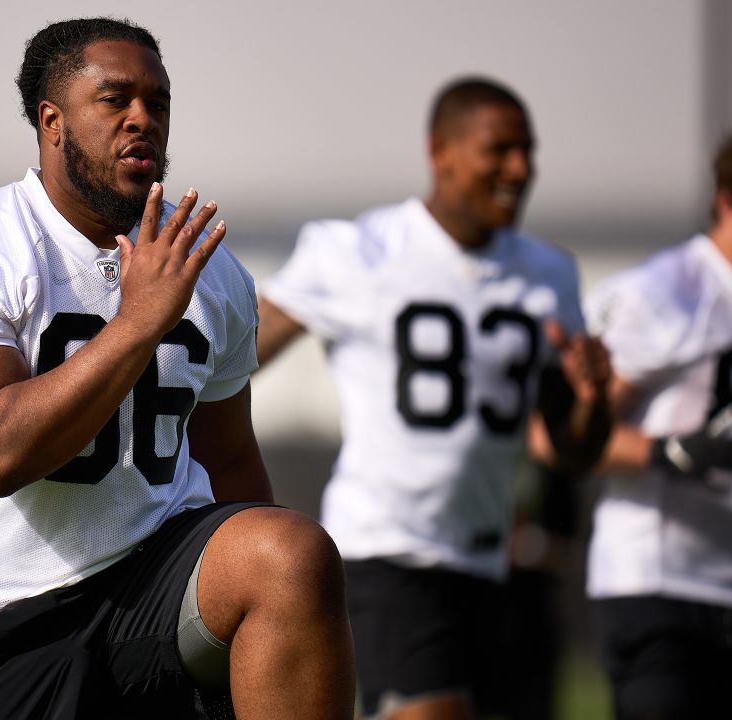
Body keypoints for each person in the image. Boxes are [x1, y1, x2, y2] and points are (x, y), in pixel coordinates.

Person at [0, 17, 354, 720]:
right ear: (53, 122)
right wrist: (138, 323)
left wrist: (271, 627)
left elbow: (227, 459)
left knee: (290, 556)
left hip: (152, 588)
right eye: (115, 100)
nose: (143, 119)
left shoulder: (210, 268)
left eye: (158, 102)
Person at [255, 77, 612, 720]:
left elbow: (575, 449)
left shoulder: (549, 273)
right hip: (386, 550)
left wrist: (592, 398)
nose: (520, 169)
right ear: (441, 152)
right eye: (499, 150)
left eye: (528, 151)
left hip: (492, 562)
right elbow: (234, 354)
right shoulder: (360, 252)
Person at [584, 134, 732, 720]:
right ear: (725, 198)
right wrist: (675, 452)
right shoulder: (667, 292)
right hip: (660, 585)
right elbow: (562, 438)